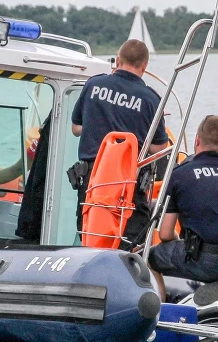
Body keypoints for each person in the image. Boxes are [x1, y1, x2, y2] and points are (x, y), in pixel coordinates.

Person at [148, 114, 218, 299]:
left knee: (151, 256)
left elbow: (165, 234)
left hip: (206, 261)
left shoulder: (180, 174)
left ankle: (161, 311)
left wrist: (178, 242)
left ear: (197, 140)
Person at [70, 39, 169, 233]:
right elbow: (160, 147)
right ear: (145, 65)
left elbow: (76, 128)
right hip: (128, 183)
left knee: (91, 237)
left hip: (93, 180)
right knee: (127, 243)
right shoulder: (150, 99)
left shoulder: (93, 84)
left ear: (118, 60)